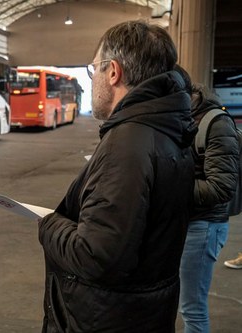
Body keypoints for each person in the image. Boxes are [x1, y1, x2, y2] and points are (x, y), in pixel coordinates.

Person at [38, 20, 197, 332]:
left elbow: (97, 257)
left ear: (113, 72)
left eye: (94, 68)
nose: (93, 78)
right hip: (146, 311)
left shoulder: (126, 144)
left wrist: (48, 224)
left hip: (106, 318)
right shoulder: (168, 128)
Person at [179, 83, 238, 333]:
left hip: (203, 227)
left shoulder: (215, 123)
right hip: (185, 224)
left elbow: (221, 188)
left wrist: (169, 186)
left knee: (192, 309)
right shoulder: (185, 120)